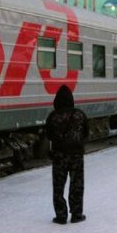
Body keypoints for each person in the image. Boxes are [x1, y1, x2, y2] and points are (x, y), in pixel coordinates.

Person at [45, 84, 89, 224]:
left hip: (59, 155)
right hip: (76, 155)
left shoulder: (53, 116)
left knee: (58, 186)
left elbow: (49, 135)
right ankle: (76, 214)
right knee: (77, 184)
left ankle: (61, 216)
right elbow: (86, 133)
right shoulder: (79, 114)